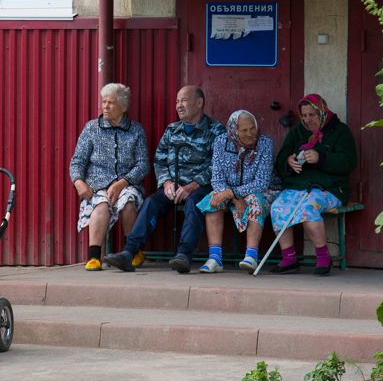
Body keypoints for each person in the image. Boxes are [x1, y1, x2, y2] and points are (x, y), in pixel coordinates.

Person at [102, 86, 224, 273]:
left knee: (194, 202)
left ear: (199, 103)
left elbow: (219, 164)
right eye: (177, 101)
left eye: (183, 100)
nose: (178, 106)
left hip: (201, 187)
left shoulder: (216, 130)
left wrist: (192, 186)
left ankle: (184, 255)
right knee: (151, 202)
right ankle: (129, 252)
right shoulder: (172, 130)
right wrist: (166, 182)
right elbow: (159, 160)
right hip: (172, 187)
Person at [267, 94, 357, 276]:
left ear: (322, 112)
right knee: (277, 207)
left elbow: (349, 162)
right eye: (304, 116)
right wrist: (289, 162)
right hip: (297, 187)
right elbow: (281, 161)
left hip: (330, 188)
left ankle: (324, 257)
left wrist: (320, 158)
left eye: (312, 115)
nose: (307, 120)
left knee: (307, 209)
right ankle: (289, 258)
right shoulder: (296, 133)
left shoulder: (340, 131)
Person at [69, 83, 149, 271]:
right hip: (97, 185)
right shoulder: (91, 128)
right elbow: (77, 161)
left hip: (127, 182)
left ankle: (133, 252)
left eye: (110, 103)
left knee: (128, 201)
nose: (105, 106)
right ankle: (95, 258)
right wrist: (78, 182)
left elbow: (143, 164)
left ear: (123, 107)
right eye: (104, 102)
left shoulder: (136, 130)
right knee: (101, 204)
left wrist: (122, 183)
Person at [194, 109, 282, 274]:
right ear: (234, 131)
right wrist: (234, 198)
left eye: (252, 128)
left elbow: (261, 183)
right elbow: (217, 179)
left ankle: (251, 256)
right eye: (244, 130)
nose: (250, 134)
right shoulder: (221, 142)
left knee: (255, 200)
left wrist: (232, 194)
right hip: (231, 192)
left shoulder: (265, 144)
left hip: (265, 190)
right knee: (212, 201)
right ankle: (215, 258)